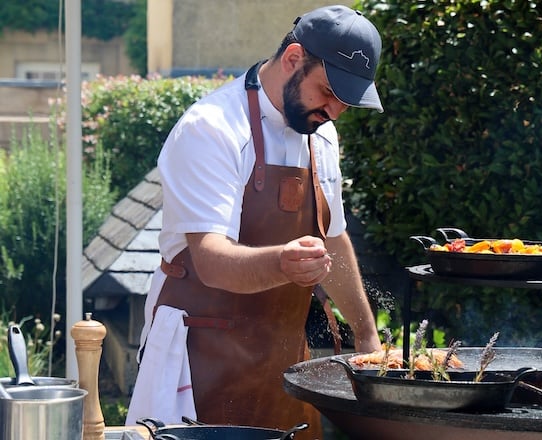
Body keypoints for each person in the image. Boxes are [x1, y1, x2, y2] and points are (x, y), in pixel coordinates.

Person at [126, 5, 383, 439]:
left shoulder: (321, 134)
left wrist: (366, 336)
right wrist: (283, 263)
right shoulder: (212, 129)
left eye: (346, 101)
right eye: (328, 91)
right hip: (200, 362)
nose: (336, 111)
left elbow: (333, 240)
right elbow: (211, 260)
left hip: (285, 365)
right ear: (293, 59)